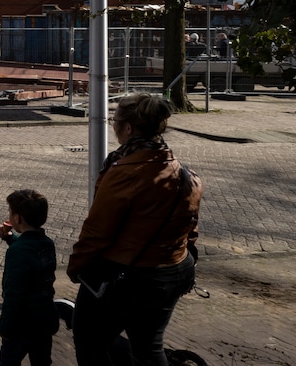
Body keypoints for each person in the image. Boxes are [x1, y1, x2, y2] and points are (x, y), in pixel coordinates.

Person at [67, 93, 203, 366]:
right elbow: (190, 225)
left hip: (130, 277)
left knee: (90, 341)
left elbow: (97, 232)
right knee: (148, 346)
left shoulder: (125, 172)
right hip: (173, 270)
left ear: (128, 128)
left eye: (114, 120)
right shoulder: (183, 172)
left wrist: (77, 267)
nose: (113, 125)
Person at [0, 189, 59, 366]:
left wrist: (5, 326)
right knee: (42, 362)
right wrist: (11, 239)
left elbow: (14, 293)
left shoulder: (17, 252)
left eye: (10, 212)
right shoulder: (47, 244)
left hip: (21, 323)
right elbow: (32, 255)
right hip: (44, 319)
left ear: (17, 218)